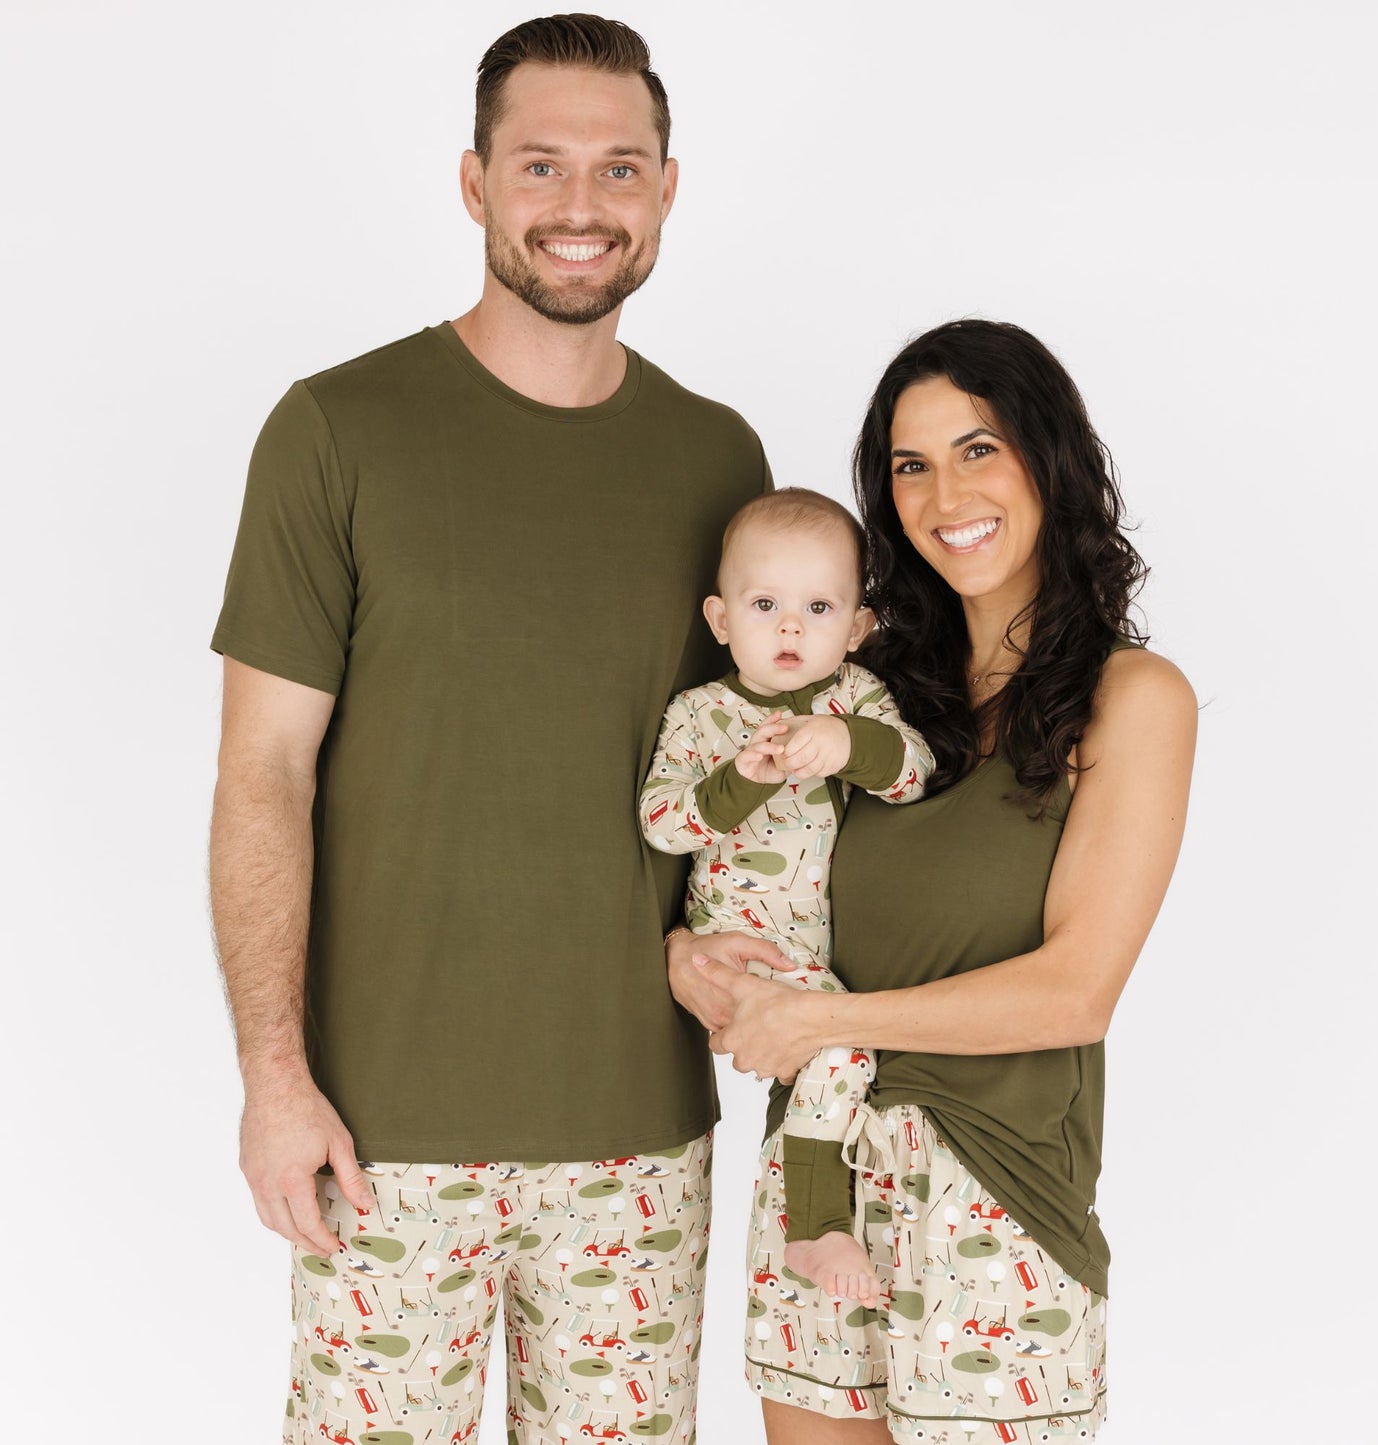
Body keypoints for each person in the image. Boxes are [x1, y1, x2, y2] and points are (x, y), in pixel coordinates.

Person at [207, 15, 784, 1443]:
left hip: (638, 1132)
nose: (581, 204)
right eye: (540, 165)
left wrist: (728, 952)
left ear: (666, 189)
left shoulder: (719, 460)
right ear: (474, 183)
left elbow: (742, 772)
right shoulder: (335, 430)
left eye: (618, 167)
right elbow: (265, 771)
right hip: (379, 1135)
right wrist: (273, 1077)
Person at [668, 319, 1197, 1442]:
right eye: (909, 464)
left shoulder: (1132, 698)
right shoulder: (855, 689)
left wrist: (823, 1019)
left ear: (1048, 457)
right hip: (817, 1182)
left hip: (992, 1199)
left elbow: (1073, 992)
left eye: (978, 448)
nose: (943, 493)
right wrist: (683, 952)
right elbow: (741, 860)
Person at [639, 488, 935, 1309]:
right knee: (841, 1053)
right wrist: (739, 780)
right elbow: (661, 823)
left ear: (857, 627)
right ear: (720, 618)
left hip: (815, 956)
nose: (791, 629)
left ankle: (818, 1224)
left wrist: (847, 743)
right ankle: (812, 1225)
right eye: (765, 605)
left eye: (819, 608)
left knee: (841, 1059)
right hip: (735, 945)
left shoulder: (857, 698)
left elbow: (913, 773)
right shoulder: (701, 713)